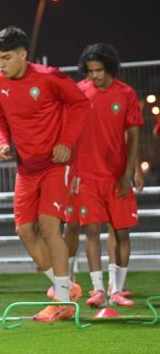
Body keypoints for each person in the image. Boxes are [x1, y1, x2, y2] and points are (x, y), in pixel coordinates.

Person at [0, 26, 90, 322]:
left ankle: (62, 300)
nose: (1, 64)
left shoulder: (50, 77)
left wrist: (66, 142)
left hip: (55, 165)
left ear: (23, 54)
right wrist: (3, 142)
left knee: (48, 227)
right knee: (24, 231)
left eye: (7, 58)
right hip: (26, 168)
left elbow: (81, 104)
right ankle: (66, 288)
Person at [72, 43, 143, 308]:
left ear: (110, 68)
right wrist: (73, 171)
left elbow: (133, 135)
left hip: (116, 176)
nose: (95, 76)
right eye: (90, 71)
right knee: (91, 230)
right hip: (87, 176)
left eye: (99, 70)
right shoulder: (79, 91)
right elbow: (70, 132)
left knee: (122, 233)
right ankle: (99, 290)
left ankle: (117, 290)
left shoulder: (126, 93)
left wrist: (129, 172)